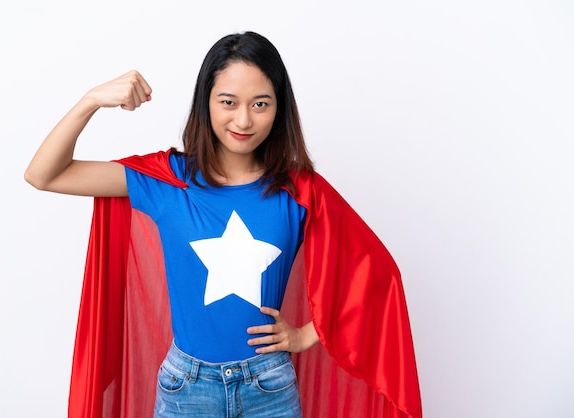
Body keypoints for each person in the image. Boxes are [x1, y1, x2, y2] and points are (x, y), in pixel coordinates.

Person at [25, 32, 422, 418]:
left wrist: (306, 335)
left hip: (269, 387)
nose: (243, 119)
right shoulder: (168, 182)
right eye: (228, 101)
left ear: (279, 108)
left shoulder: (300, 192)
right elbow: (45, 175)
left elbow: (376, 276)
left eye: (261, 103)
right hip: (186, 389)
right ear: (207, 102)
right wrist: (91, 100)